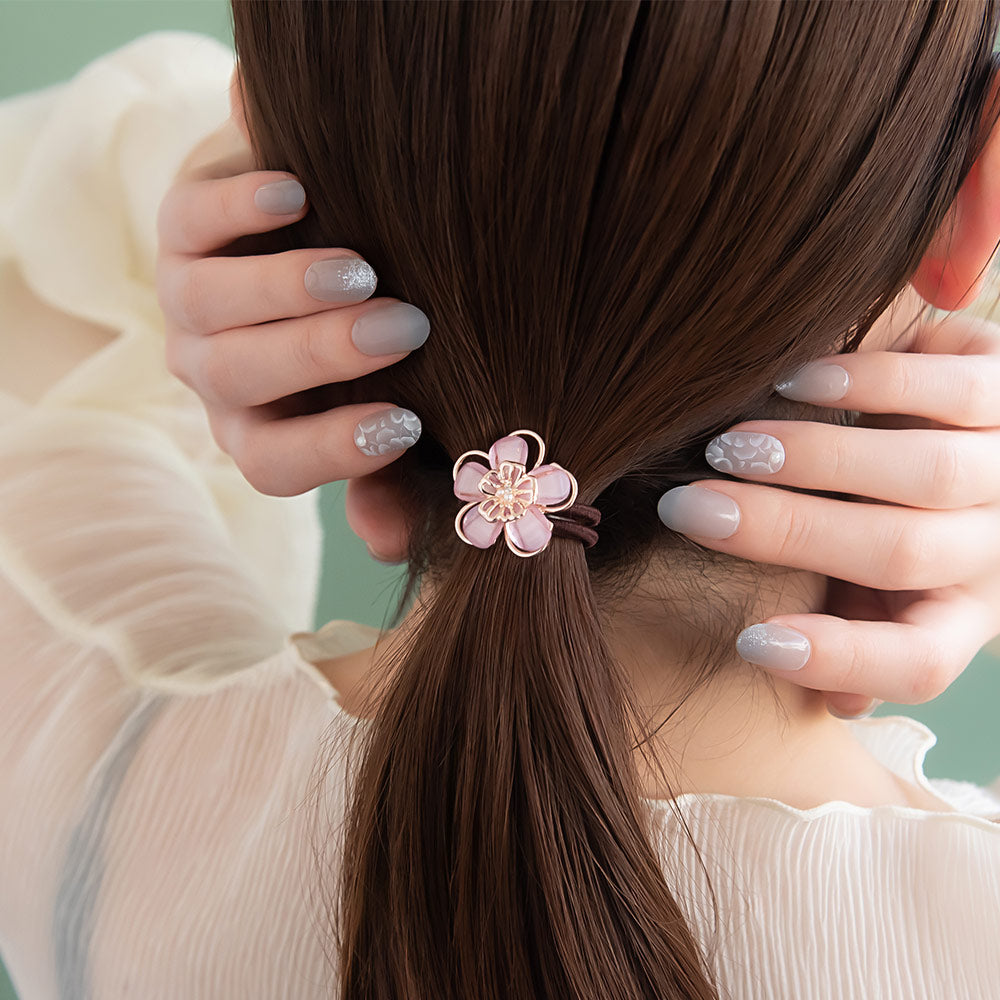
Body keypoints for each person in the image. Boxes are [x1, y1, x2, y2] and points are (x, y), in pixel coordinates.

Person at [1, 3, 1000, 998]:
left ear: (265, 133)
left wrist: (215, 178)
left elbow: (36, 250)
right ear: (972, 205)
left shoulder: (80, 752)